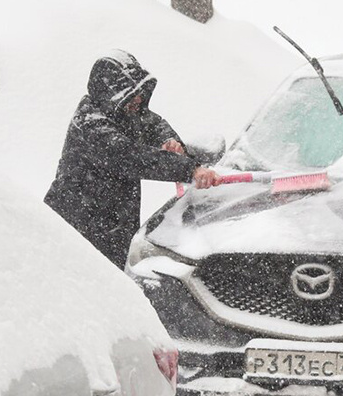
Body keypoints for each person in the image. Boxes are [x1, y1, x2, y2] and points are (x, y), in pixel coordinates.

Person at [45, 50, 219, 269]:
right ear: (111, 92)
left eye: (139, 91)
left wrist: (169, 140)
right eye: (130, 93)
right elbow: (131, 158)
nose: (138, 98)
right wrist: (190, 170)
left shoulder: (123, 112)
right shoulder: (90, 124)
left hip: (112, 229)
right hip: (76, 228)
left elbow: (154, 123)